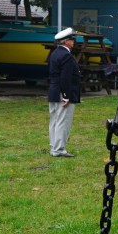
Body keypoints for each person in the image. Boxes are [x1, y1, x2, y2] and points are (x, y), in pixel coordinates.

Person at [47, 27, 81, 157]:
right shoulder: (66, 55)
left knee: (54, 120)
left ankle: (54, 147)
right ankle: (59, 149)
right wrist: (66, 96)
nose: (74, 41)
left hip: (54, 91)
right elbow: (65, 78)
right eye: (72, 39)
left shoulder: (55, 53)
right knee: (63, 121)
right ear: (66, 41)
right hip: (63, 92)